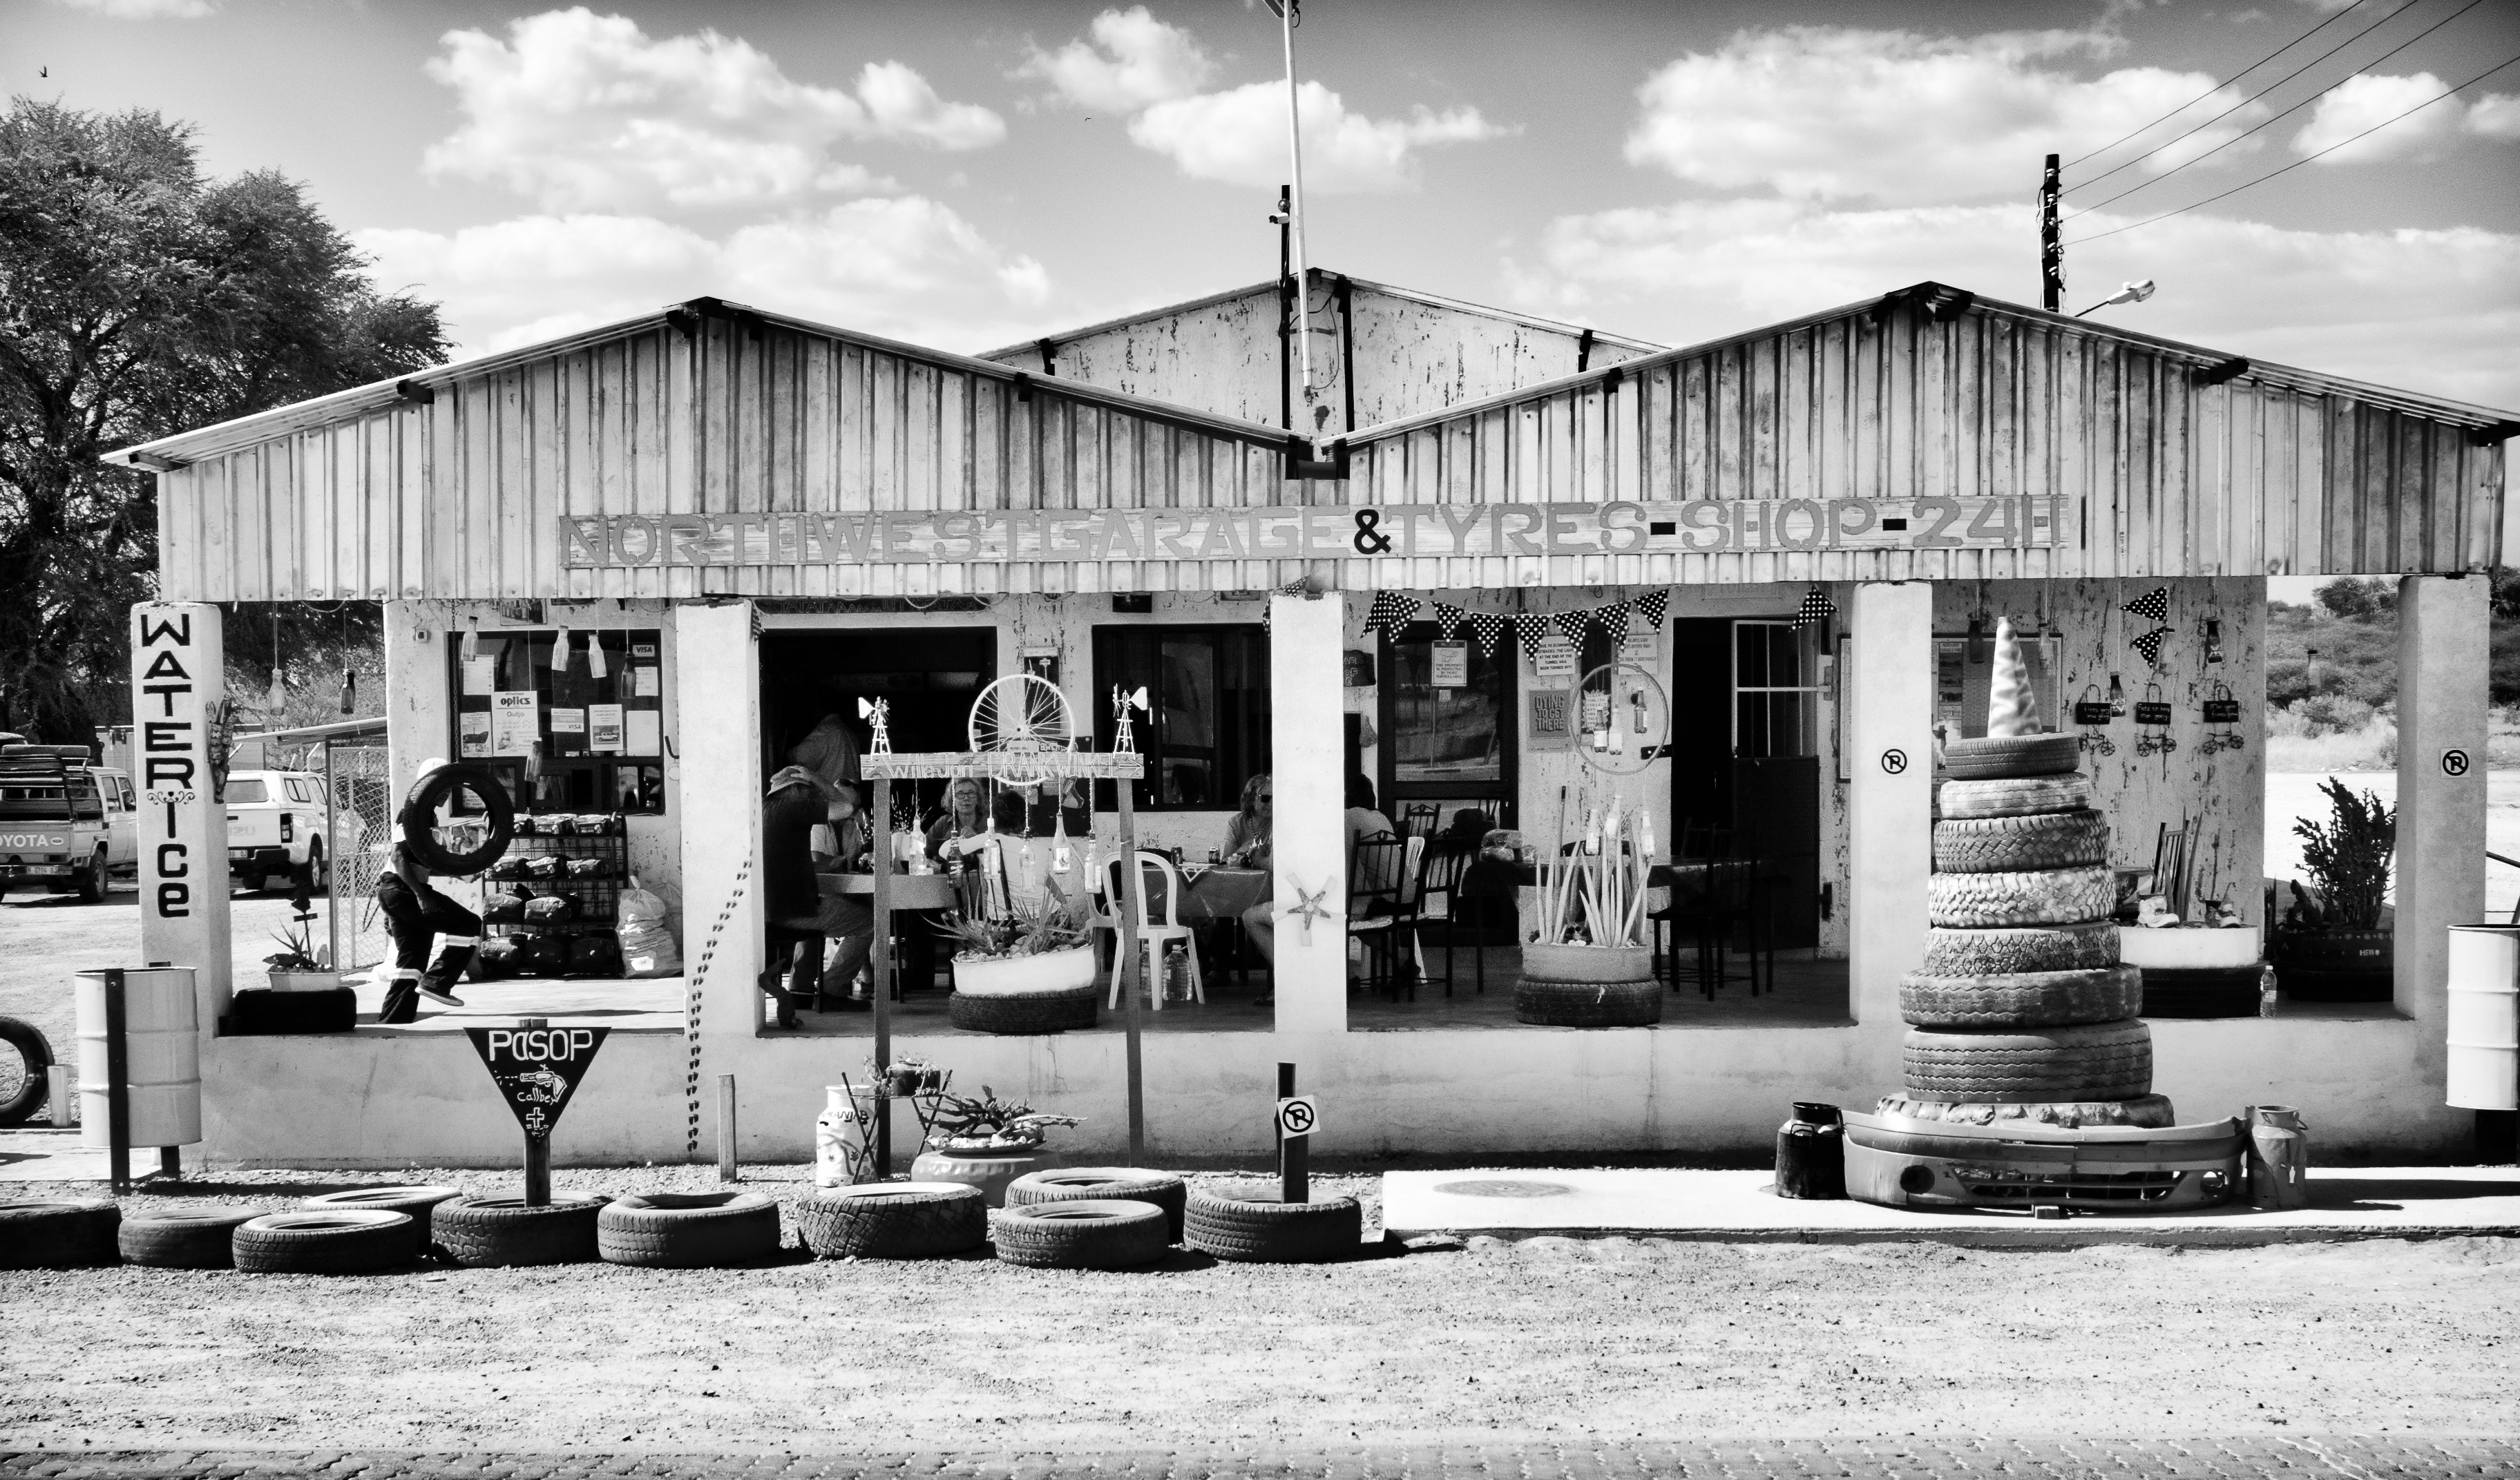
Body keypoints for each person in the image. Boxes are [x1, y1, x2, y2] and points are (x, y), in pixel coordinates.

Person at [762, 726, 873, 1027]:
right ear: (797, 791)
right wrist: (817, 779)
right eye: (807, 791)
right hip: (790, 911)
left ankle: (800, 987)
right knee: (870, 920)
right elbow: (847, 806)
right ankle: (834, 989)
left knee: (821, 907)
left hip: (774, 909)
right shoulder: (792, 807)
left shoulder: (767, 809)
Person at [374, 757, 474, 1024]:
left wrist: (463, 874)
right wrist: (420, 896)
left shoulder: (427, 814)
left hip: (400, 891)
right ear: (428, 786)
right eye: (441, 789)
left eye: (447, 790)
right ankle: (438, 983)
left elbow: (423, 864)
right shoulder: (414, 811)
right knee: (470, 924)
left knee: (410, 967)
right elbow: (398, 857)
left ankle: (393, 1023)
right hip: (403, 891)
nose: (445, 795)